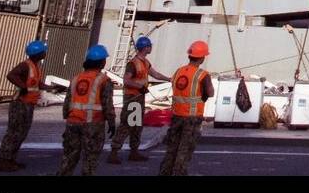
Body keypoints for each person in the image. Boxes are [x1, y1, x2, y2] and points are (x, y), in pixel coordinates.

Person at [109, 35, 170, 164]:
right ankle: (114, 151)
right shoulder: (133, 64)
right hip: (133, 99)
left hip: (139, 99)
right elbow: (126, 80)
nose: (151, 48)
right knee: (128, 125)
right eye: (149, 46)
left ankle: (133, 152)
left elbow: (155, 74)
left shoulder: (145, 62)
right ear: (145, 47)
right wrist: (140, 87)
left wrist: (169, 79)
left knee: (137, 126)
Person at [58, 45, 116, 176]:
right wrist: (112, 123)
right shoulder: (103, 80)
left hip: (73, 122)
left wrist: (67, 117)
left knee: (69, 156)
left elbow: (68, 101)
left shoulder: (76, 78)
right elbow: (107, 104)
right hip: (93, 124)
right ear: (102, 62)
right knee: (90, 159)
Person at [158, 40, 213, 177]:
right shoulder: (203, 75)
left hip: (177, 115)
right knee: (184, 150)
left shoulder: (179, 71)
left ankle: (164, 173)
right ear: (202, 58)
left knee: (172, 149)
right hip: (192, 118)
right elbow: (210, 93)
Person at [0, 39, 48, 172]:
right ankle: (4, 161)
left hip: (28, 104)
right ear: (38, 53)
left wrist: (51, 88)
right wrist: (22, 86)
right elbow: (11, 75)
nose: (45, 53)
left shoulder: (35, 66)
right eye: (44, 51)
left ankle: (11, 159)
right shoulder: (25, 65)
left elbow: (37, 84)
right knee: (14, 132)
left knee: (22, 133)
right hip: (20, 104)